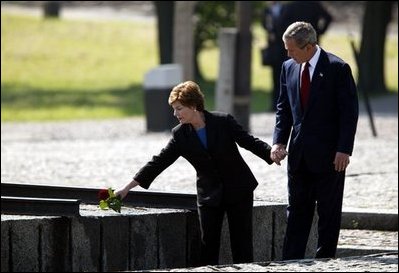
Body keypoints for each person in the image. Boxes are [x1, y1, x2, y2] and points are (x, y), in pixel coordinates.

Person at [115, 80, 275, 265]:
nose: (175, 114)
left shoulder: (223, 121)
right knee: (208, 247)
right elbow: (158, 162)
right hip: (209, 196)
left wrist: (270, 152)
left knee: (242, 245)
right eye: (174, 109)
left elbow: (248, 141)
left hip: (238, 189)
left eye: (179, 108)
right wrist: (127, 187)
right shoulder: (180, 135)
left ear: (193, 105)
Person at [270, 22, 358, 260]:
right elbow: (284, 108)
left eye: (292, 50)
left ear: (309, 47)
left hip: (330, 157)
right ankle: (291, 260)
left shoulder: (337, 68)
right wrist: (279, 141)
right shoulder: (288, 67)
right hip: (299, 156)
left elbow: (348, 113)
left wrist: (343, 149)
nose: (288, 54)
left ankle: (325, 260)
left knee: (328, 213)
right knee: (297, 211)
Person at [262, 1, 332, 111]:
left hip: (295, 46)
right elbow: (328, 18)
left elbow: (281, 26)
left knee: (293, 74)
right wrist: (319, 32)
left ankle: (292, 103)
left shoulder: (290, 7)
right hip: (311, 44)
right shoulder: (314, 5)